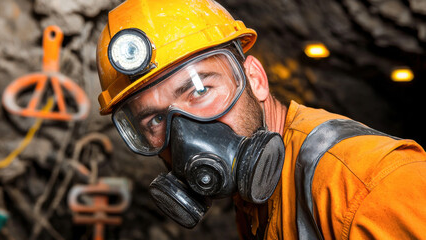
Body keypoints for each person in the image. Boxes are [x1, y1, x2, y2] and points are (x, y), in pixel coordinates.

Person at [95, 0, 426, 239]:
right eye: (154, 120)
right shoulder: (256, 196)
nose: (184, 134)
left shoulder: (365, 188)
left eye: (199, 91)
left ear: (255, 79)